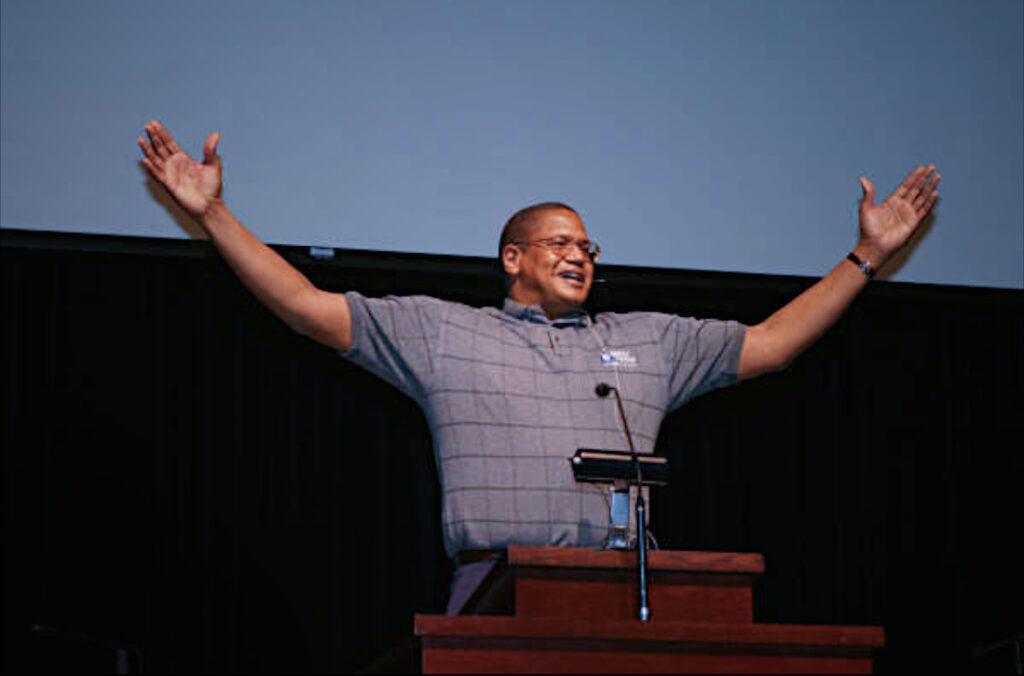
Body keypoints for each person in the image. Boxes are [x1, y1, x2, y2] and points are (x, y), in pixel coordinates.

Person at [137, 119, 940, 612]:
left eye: (588, 245)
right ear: (512, 258)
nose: (579, 255)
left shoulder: (651, 339)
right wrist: (213, 216)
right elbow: (306, 306)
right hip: (498, 591)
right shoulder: (442, 333)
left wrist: (866, 258)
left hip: (630, 596)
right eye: (559, 242)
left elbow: (774, 344)